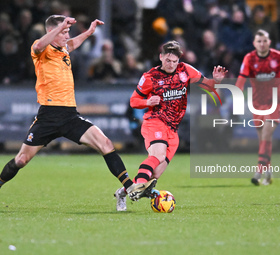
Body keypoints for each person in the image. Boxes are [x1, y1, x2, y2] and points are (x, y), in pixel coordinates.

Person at [0, 15, 155, 202]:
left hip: (70, 116)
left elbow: (71, 44)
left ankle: (130, 188)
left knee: (105, 144)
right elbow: (38, 45)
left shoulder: (63, 50)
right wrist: (60, 28)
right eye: (63, 32)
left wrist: (88, 32)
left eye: (67, 32)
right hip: (48, 115)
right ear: (51, 31)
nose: (67, 35)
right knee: (21, 160)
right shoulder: (41, 49)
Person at [114, 40, 227, 211]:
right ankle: (138, 186)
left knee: (155, 174)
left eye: (174, 61)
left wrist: (216, 81)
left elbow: (209, 87)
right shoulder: (150, 77)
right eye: (168, 60)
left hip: (173, 129)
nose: (171, 65)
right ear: (161, 57)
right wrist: (147, 101)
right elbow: (133, 101)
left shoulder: (186, 70)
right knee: (157, 155)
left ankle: (123, 192)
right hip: (154, 121)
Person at [235, 29, 280, 186]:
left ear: (269, 42)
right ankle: (269, 172)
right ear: (254, 43)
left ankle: (258, 172)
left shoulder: (279, 57)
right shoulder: (249, 58)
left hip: (275, 103)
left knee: (266, 134)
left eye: (264, 41)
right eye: (259, 41)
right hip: (257, 104)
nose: (262, 44)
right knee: (264, 140)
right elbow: (241, 78)